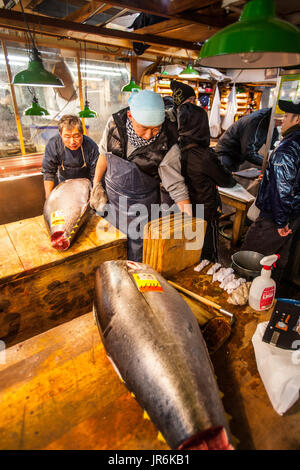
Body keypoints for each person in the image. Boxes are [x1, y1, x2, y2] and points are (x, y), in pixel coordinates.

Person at [90, 89, 191, 262]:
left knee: (137, 254)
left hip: (141, 208)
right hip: (112, 201)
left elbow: (175, 185)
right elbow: (104, 155)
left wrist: (189, 220)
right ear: (130, 116)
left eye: (155, 129)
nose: (148, 135)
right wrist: (96, 184)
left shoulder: (168, 141)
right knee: (111, 246)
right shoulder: (115, 123)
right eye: (144, 128)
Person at [241, 99, 300, 284]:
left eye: (286, 116)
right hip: (294, 214)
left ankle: (245, 299)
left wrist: (281, 221)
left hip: (276, 219)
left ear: (297, 119)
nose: (282, 121)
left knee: (250, 260)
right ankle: (268, 298)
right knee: (276, 262)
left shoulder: (289, 147)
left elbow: (284, 189)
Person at [177, 102, 236, 262]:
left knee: (186, 249)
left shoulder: (175, 148)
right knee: (207, 254)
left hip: (181, 209)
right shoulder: (204, 155)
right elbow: (226, 181)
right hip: (204, 212)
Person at [42, 115, 99, 199]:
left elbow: (96, 175)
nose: (72, 142)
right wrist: (49, 199)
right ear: (61, 135)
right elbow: (48, 173)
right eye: (67, 137)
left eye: (76, 136)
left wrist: (94, 196)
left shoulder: (91, 147)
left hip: (85, 189)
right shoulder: (53, 145)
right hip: (64, 187)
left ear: (82, 133)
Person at [215, 108, 279, 172]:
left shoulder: (272, 123)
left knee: (232, 177)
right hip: (226, 153)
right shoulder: (255, 121)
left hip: (237, 156)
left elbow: (273, 145)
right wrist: (267, 163)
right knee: (225, 178)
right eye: (281, 120)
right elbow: (248, 152)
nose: (282, 123)